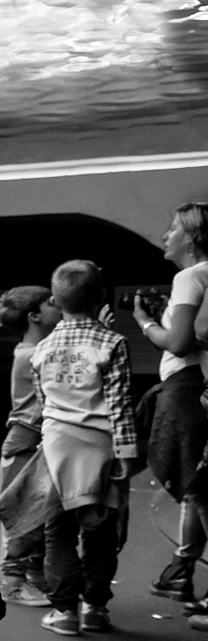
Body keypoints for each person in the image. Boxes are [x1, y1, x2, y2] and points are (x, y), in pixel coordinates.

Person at [33, 260, 136, 636]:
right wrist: (127, 453)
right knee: (101, 533)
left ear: (55, 301)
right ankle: (94, 607)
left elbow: (43, 400)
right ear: (100, 298)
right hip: (100, 451)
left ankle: (65, 612)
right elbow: (120, 405)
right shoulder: (113, 343)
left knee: (58, 532)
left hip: (55, 451)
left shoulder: (41, 348)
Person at [132, 203, 208, 604]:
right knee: (198, 483)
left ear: (192, 238)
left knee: (195, 483)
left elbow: (178, 343)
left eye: (174, 227)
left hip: (186, 386)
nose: (166, 234)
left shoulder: (189, 276)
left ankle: (181, 571)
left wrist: (145, 322)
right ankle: (180, 569)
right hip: (199, 384)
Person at [0, 285, 60, 607]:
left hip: (33, 439)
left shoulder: (37, 349)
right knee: (25, 516)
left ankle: (34, 575)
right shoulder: (32, 354)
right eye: (51, 302)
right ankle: (12, 582)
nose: (58, 305)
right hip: (25, 440)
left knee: (41, 512)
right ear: (34, 316)